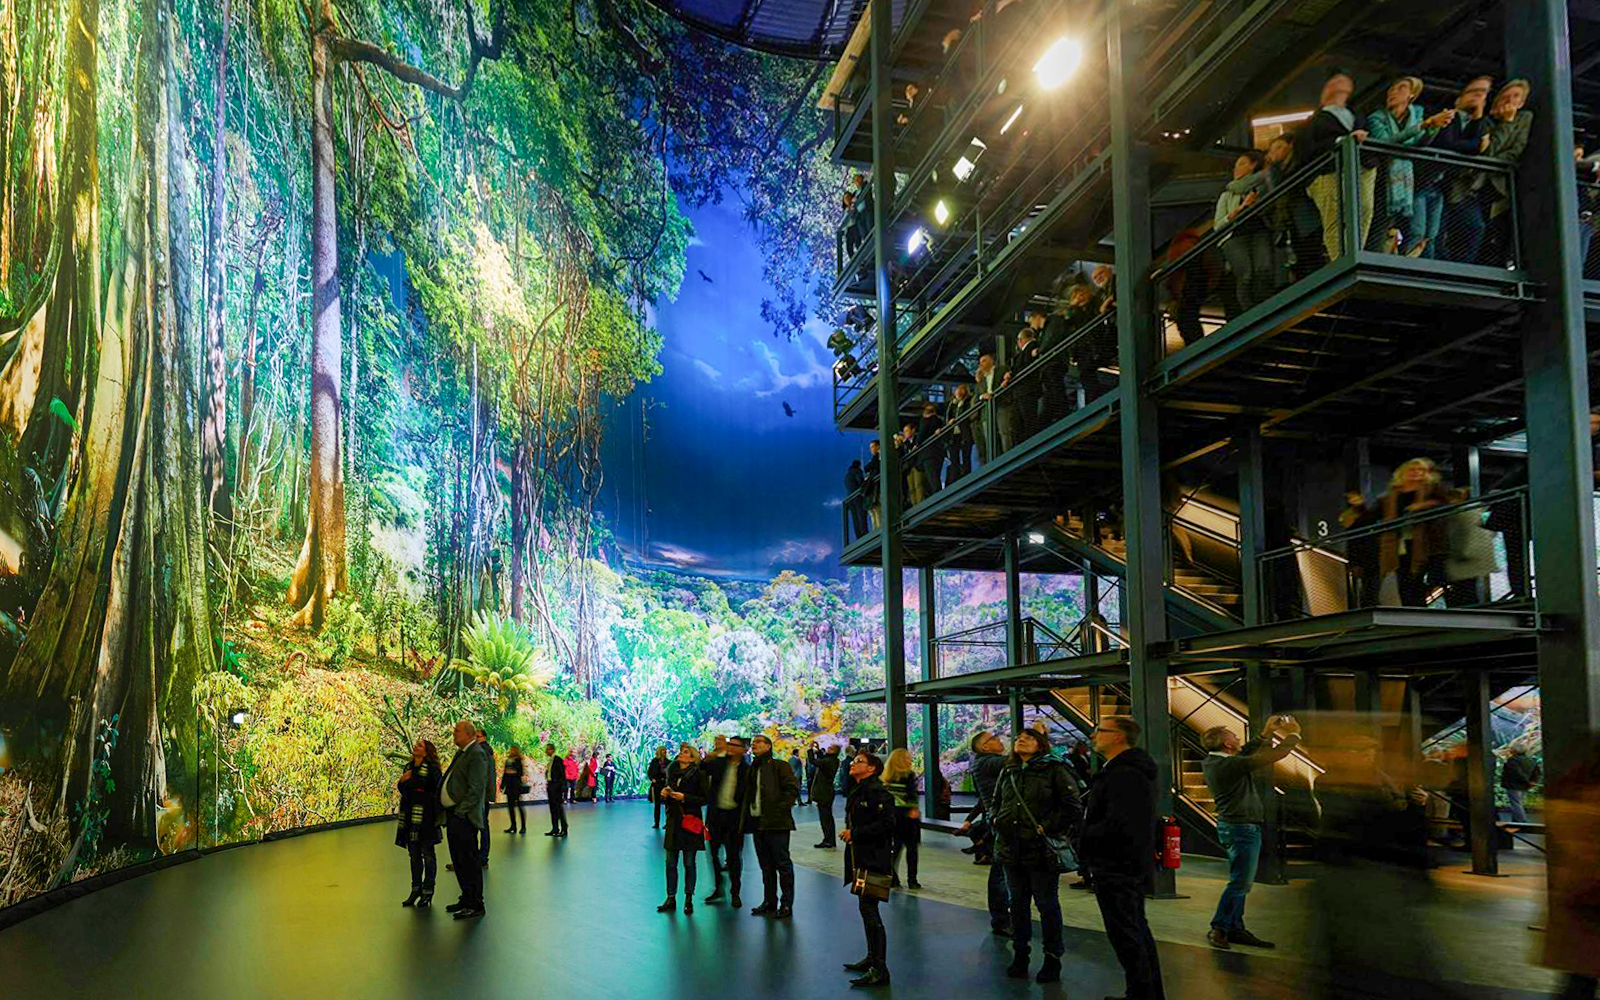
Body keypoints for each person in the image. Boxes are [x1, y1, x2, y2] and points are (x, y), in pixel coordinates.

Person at [1200, 715, 1304, 950]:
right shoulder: (1229, 765)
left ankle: (1235, 928)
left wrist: (1266, 733)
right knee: (1240, 883)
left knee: (1241, 881)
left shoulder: (1216, 762)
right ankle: (1220, 928)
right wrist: (1294, 734)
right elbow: (1273, 755)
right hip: (1242, 829)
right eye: (1234, 737)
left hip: (1235, 827)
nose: (1238, 738)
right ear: (1227, 744)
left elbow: (1246, 753)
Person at [1082, 717, 1165, 1000]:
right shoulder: (1125, 770)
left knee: (1127, 936)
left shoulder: (1125, 774)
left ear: (1118, 736)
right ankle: (1145, 993)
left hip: (1117, 865)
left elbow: (1120, 823)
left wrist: (1086, 837)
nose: (1093, 735)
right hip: (1124, 864)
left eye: (1100, 730)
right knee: (1135, 930)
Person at [993, 728, 1081, 984]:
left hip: (1041, 850)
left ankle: (1052, 958)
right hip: (1011, 848)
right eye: (1019, 737)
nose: (1022, 740)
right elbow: (996, 801)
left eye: (1029, 737)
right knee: (1017, 905)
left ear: (1041, 744)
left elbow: (1072, 806)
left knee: (1047, 905)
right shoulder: (1009, 770)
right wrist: (995, 820)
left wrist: (1048, 827)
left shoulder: (1055, 769)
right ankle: (1020, 954)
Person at [1541, 736, 1600, 1000]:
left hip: (1577, 894)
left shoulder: (1568, 791)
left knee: (1580, 978)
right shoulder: (1589, 799)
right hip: (1590, 896)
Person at [1365, 77, 1452, 255]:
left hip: (1408, 183)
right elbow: (1387, 142)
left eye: (1401, 88)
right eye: (1392, 89)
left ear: (1412, 95)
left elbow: (1418, 143)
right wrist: (1425, 125)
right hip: (1381, 181)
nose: (1393, 92)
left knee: (1415, 232)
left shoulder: (1416, 114)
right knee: (1378, 229)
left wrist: (1434, 128)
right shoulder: (1376, 118)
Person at [1297, 68, 1374, 263]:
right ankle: (1340, 260)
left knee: (1364, 209)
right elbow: (1306, 151)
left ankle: (1355, 254)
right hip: (1328, 172)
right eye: (1336, 82)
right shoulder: (1313, 121)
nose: (1341, 84)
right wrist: (1342, 141)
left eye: (1344, 81)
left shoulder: (1357, 115)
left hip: (1361, 168)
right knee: (1335, 217)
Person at [840, 751, 897, 988]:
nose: (853, 764)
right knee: (866, 909)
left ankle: (880, 968)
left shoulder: (877, 792)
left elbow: (888, 824)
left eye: (859, 762)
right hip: (861, 859)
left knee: (870, 912)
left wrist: (855, 833)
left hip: (874, 860)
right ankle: (872, 958)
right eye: (854, 761)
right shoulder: (860, 790)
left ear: (872, 768)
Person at [1423, 75, 1493, 261]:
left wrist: (1477, 119)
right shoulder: (1447, 115)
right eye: (1473, 91)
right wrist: (1476, 145)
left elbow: (1481, 152)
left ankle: (1462, 265)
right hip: (1434, 182)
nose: (1477, 96)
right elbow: (1448, 144)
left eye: (1483, 93)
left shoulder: (1483, 124)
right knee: (1434, 232)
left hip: (1460, 188)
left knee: (1475, 227)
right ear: (1458, 99)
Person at [958, 730, 1013, 935]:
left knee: (1005, 872)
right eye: (993, 739)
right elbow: (1014, 760)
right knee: (1000, 873)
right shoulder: (987, 762)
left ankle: (1005, 917)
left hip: (1003, 822)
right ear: (984, 747)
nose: (999, 740)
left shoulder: (986, 764)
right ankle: (1001, 919)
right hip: (1002, 824)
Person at [1377, 458, 1450, 607]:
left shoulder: (1434, 489)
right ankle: (1410, 610)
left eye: (1421, 470)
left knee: (1421, 579)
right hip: (1400, 543)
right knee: (1404, 580)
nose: (1416, 472)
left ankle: (1421, 609)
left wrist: (1424, 506)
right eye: (1412, 469)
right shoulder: (1392, 495)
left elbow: (1446, 506)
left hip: (1426, 543)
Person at [1475, 79, 1532, 267]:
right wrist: (1506, 123)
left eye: (1516, 96)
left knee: (1500, 235)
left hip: (1502, 186)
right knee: (1477, 228)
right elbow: (1487, 153)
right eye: (1506, 95)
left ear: (1521, 103)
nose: (1509, 100)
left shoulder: (1524, 118)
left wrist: (1495, 153)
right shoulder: (1486, 121)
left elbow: (1516, 151)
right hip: (1477, 184)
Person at [743, 733, 801, 918]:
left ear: (768, 746)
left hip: (777, 823)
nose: (754, 744)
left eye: (758, 742)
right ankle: (769, 901)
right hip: (758, 823)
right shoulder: (753, 768)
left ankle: (786, 904)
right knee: (766, 865)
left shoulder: (779, 766)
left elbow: (792, 788)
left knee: (782, 864)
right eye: (753, 743)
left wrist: (780, 809)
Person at [1214, 149, 1273, 316]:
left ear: (1253, 165)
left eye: (1241, 164)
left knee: (1264, 270)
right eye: (1235, 165)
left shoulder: (1262, 187)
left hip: (1260, 232)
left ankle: (1265, 311)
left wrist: (1257, 204)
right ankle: (1250, 316)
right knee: (1246, 275)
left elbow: (1271, 207)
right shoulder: (1227, 194)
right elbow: (1218, 225)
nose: (1236, 168)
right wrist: (1241, 208)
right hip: (1235, 237)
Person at [441, 720, 490, 919]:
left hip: (465, 818)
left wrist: (461, 812)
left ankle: (476, 903)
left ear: (470, 734)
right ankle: (466, 898)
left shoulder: (477, 754)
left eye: (457, 731)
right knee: (459, 860)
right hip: (455, 816)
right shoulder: (462, 753)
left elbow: (476, 789)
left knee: (469, 861)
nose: (454, 733)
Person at [658, 742, 710, 915]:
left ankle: (688, 898)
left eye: (686, 752)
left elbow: (704, 798)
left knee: (689, 863)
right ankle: (670, 897)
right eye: (681, 751)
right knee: (670, 862)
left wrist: (685, 797)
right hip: (674, 821)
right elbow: (668, 794)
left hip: (690, 821)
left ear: (693, 758)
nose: (682, 753)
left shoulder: (699, 775)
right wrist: (665, 794)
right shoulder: (671, 772)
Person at [397, 738, 443, 908]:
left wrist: (413, 783)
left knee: (428, 854)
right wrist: (403, 780)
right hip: (409, 816)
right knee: (414, 854)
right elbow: (402, 788)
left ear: (426, 752)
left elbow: (437, 789)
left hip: (427, 817)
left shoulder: (432, 769)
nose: (416, 746)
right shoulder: (408, 767)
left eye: (420, 745)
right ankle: (415, 889)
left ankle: (428, 891)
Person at [703, 735, 748, 907]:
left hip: (734, 819)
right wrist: (711, 755)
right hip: (716, 816)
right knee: (713, 854)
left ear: (743, 749)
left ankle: (735, 892)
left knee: (734, 856)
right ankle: (718, 887)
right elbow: (703, 768)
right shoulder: (719, 763)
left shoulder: (747, 770)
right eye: (730, 744)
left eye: (735, 745)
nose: (731, 748)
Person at [882, 748, 922, 890]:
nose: (910, 760)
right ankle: (912, 880)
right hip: (908, 816)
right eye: (907, 758)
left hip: (891, 816)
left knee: (894, 849)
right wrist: (914, 808)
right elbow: (912, 796)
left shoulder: (885, 778)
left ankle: (893, 878)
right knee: (912, 849)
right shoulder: (909, 775)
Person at [974, 353, 1011, 461]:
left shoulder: (1002, 370)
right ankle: (996, 461)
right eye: (980, 362)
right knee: (990, 437)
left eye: (984, 361)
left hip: (1002, 405)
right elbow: (976, 399)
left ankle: (1008, 457)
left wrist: (1008, 377)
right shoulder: (981, 381)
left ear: (991, 361)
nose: (981, 364)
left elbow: (1011, 374)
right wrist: (982, 396)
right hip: (987, 412)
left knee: (1004, 431)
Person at [1500, 745, 1543, 825]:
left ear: (1515, 751)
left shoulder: (1512, 760)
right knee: (1519, 803)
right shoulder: (1530, 760)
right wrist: (1532, 781)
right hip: (1524, 786)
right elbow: (1537, 772)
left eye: (1512, 749)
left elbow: (1517, 773)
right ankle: (1515, 820)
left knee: (1516, 803)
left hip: (1514, 785)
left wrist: (1527, 781)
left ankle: (1522, 822)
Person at [813, 743, 843, 848]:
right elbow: (823, 759)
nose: (827, 749)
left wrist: (811, 751)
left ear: (834, 751)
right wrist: (818, 751)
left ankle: (828, 840)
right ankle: (829, 840)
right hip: (827, 792)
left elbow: (814, 762)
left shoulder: (829, 761)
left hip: (824, 793)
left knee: (825, 818)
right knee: (827, 818)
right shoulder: (833, 760)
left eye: (830, 748)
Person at [475, 729, 496, 867]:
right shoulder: (485, 752)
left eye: (477, 736)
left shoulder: (483, 752)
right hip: (483, 796)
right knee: (482, 825)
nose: (475, 739)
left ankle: (481, 858)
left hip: (480, 796)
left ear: (484, 737)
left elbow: (485, 776)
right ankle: (480, 857)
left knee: (481, 826)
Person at [916, 401, 946, 493]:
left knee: (932, 478)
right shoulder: (939, 420)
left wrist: (916, 444)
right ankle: (938, 494)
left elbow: (921, 435)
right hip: (939, 452)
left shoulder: (925, 421)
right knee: (936, 476)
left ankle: (937, 495)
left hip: (928, 453)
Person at [500, 745, 527, 834]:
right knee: (510, 807)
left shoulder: (518, 760)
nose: (511, 751)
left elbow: (521, 772)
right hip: (509, 786)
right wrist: (502, 785)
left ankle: (523, 826)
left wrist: (512, 771)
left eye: (513, 750)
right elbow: (505, 774)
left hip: (516, 786)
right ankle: (513, 826)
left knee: (519, 806)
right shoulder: (508, 760)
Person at [544, 743, 569, 837]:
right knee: (553, 808)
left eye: (547, 749)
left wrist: (561, 787)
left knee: (558, 808)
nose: (546, 751)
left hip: (556, 787)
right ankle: (555, 828)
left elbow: (562, 775)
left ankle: (564, 828)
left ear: (552, 750)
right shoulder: (550, 761)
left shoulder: (558, 760)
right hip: (551, 785)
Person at [845, 460, 869, 541]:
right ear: (858, 465)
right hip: (858, 497)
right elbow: (861, 482)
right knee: (861, 515)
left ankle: (859, 536)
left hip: (851, 500)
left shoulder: (847, 476)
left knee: (855, 518)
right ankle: (864, 533)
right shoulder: (857, 471)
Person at [648, 746, 670, 829]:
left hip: (665, 784)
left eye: (665, 751)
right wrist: (652, 779)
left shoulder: (669, 762)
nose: (664, 752)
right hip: (657, 784)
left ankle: (668, 823)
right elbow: (650, 772)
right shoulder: (654, 761)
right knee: (657, 805)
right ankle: (656, 823)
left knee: (667, 805)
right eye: (663, 751)